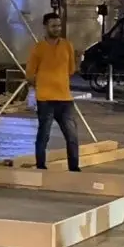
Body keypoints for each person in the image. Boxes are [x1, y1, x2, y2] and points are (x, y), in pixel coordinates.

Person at [27, 12, 80, 172]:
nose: (57, 29)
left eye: (58, 26)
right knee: (44, 135)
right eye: (53, 26)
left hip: (65, 99)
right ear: (45, 27)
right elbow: (29, 74)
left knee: (72, 136)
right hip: (45, 100)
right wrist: (36, 89)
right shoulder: (38, 48)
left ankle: (74, 168)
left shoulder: (67, 46)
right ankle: (41, 166)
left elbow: (71, 70)